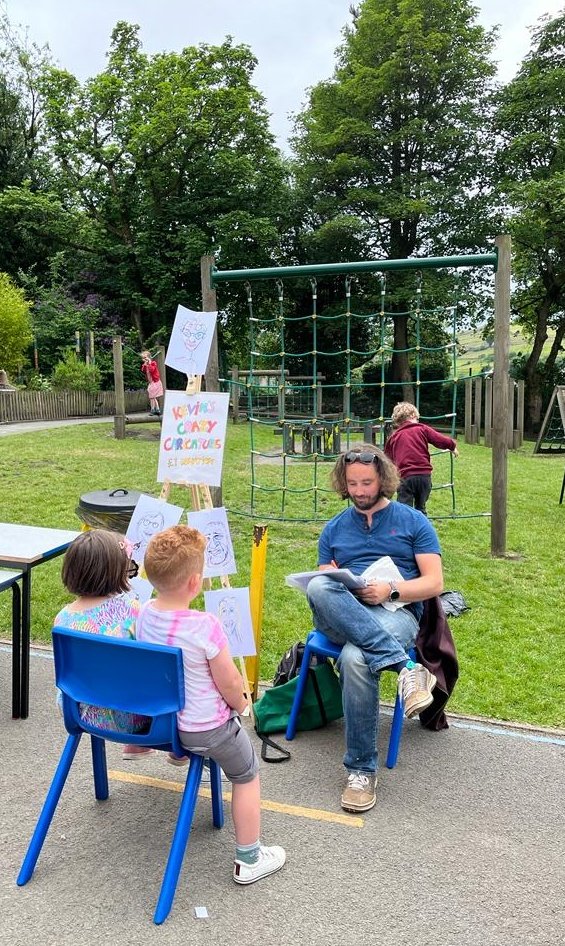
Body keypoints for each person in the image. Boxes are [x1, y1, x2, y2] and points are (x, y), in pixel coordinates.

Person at [137, 524, 286, 886]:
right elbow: (230, 683)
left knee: (198, 731)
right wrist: (241, 704)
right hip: (206, 731)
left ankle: (180, 754)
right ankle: (249, 857)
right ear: (195, 582)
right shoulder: (206, 626)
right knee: (246, 775)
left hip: (165, 725)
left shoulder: (142, 615)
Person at [306, 444, 444, 813]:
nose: (360, 491)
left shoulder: (414, 522)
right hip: (343, 612)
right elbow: (324, 581)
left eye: (367, 482)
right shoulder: (333, 528)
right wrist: (333, 579)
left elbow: (434, 583)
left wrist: (391, 589)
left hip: (394, 611)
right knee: (320, 585)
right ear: (343, 483)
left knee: (354, 658)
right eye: (353, 484)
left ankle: (361, 771)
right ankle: (405, 669)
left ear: (383, 479)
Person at [53, 530, 151, 761]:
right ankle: (181, 753)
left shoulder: (62, 619)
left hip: (79, 713)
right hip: (131, 718)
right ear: (117, 572)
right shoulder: (132, 610)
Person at [384, 401, 458, 515]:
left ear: (398, 421)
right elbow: (440, 440)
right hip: (424, 477)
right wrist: (452, 446)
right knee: (421, 508)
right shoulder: (422, 428)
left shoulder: (394, 437)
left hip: (405, 477)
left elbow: (387, 458)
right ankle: (421, 527)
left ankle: (406, 529)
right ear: (413, 416)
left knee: (404, 509)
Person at [141, 350, 163, 416]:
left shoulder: (153, 363)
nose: (144, 359)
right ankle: (158, 409)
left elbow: (152, 370)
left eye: (145, 358)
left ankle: (153, 410)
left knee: (152, 397)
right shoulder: (146, 365)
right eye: (143, 358)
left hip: (155, 382)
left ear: (149, 357)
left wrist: (149, 362)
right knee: (153, 397)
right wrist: (145, 365)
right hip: (151, 383)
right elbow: (143, 370)